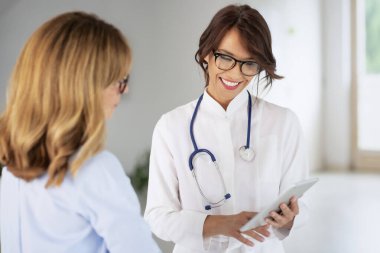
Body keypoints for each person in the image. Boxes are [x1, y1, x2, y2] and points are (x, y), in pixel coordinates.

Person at [144, 4, 309, 253]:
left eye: (249, 63)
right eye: (226, 58)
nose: (235, 73)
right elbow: (157, 217)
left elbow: (301, 207)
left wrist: (291, 218)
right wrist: (218, 224)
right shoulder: (171, 127)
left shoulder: (283, 123)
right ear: (207, 54)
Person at [0, 12, 161, 253]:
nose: (124, 90)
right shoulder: (92, 169)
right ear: (85, 87)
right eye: (120, 80)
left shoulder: (13, 169)